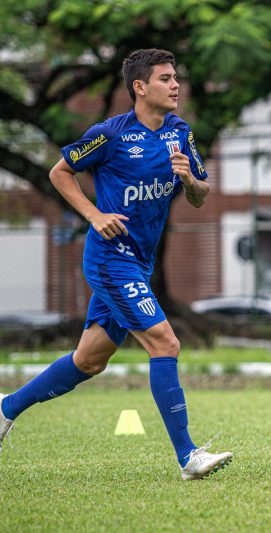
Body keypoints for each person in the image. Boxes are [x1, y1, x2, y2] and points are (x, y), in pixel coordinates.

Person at [0, 49, 232, 479]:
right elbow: (59, 173)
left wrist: (189, 180)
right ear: (140, 88)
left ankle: (6, 408)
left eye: (176, 77)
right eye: (165, 78)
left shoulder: (181, 133)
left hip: (139, 263)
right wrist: (93, 215)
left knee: (89, 360)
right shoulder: (110, 134)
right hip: (110, 260)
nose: (176, 85)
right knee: (166, 343)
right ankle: (188, 457)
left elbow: (200, 195)